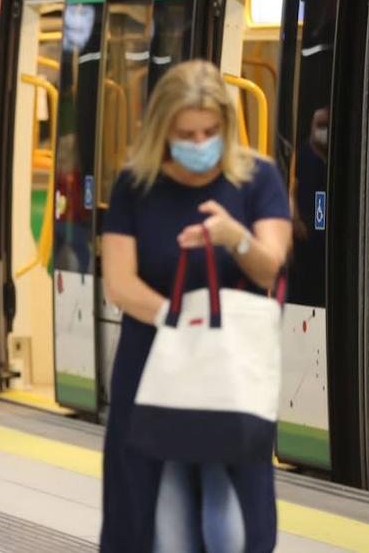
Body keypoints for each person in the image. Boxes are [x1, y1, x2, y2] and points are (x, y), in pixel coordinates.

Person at [99, 60, 291, 553]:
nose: (199, 141)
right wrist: (177, 320)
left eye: (210, 130)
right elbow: (119, 282)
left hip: (229, 374)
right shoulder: (135, 185)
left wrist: (234, 236)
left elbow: (270, 268)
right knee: (152, 515)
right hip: (153, 366)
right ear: (164, 129)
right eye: (186, 132)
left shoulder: (258, 179)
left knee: (233, 518)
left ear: (226, 125)